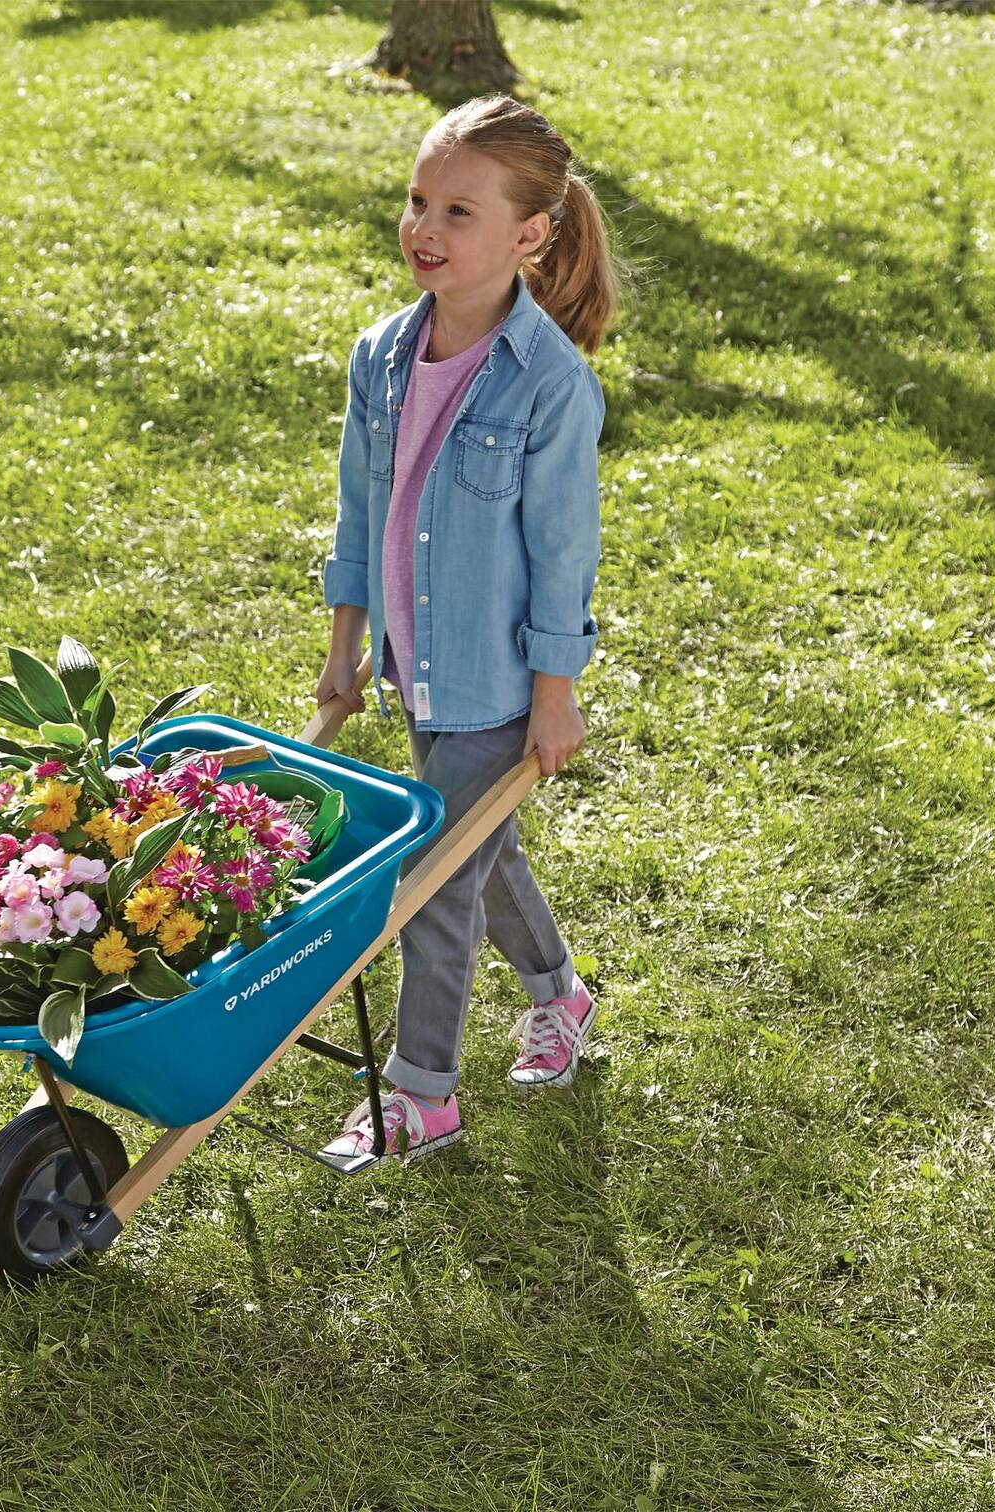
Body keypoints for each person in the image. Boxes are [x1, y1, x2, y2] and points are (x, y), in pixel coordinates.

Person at [314, 94, 618, 1163]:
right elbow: (360, 512)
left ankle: (423, 1097)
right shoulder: (381, 357)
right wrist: (345, 649)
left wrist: (554, 694)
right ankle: (560, 995)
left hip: (498, 682)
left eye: (457, 210)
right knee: (476, 852)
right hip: (416, 669)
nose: (424, 228)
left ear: (531, 236)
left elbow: (563, 556)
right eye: (415, 200)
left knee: (430, 884)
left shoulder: (551, 386)